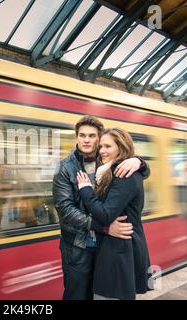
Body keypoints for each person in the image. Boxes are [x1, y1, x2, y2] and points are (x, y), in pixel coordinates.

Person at [53, 116, 150, 300]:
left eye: (91, 136)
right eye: (82, 135)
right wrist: (103, 227)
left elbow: (132, 174)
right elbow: (65, 210)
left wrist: (139, 162)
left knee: (100, 295)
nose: (86, 140)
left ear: (99, 138)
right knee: (78, 295)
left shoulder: (107, 161)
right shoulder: (65, 168)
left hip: (104, 247)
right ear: (76, 138)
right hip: (78, 246)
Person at [77, 128, 152, 300]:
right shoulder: (107, 170)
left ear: (121, 147)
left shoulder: (123, 174)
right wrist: (139, 161)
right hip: (112, 248)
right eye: (101, 146)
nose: (102, 150)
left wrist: (85, 189)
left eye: (107, 146)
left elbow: (105, 215)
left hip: (119, 250)